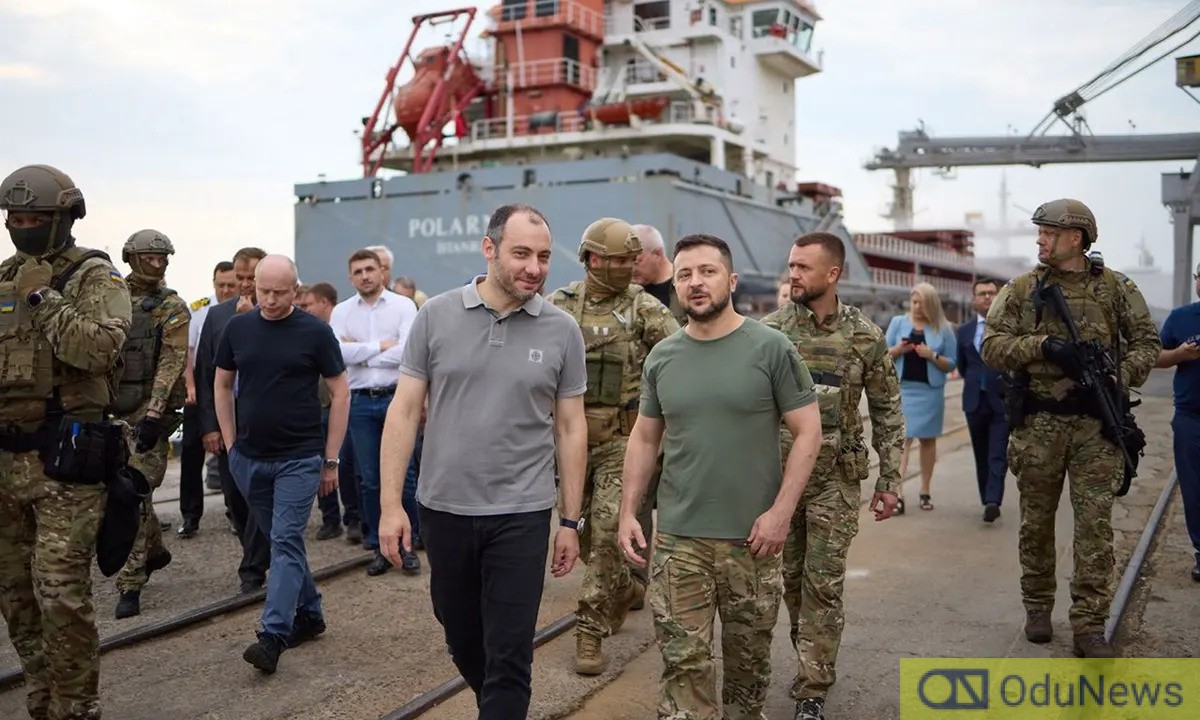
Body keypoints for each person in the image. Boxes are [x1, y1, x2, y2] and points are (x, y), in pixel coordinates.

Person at [378, 203, 588, 719]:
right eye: (521, 254)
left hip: (521, 512)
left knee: (511, 653)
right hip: (445, 508)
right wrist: (389, 505)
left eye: (542, 256)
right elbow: (404, 411)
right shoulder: (436, 316)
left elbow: (570, 427)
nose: (535, 268)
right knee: (462, 637)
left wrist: (569, 520)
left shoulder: (562, 330)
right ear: (489, 249)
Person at [617, 233, 822, 720]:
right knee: (683, 672)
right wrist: (628, 511)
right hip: (680, 544)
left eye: (707, 272)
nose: (695, 283)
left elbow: (808, 431)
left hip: (751, 543)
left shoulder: (771, 348)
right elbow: (645, 439)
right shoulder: (662, 357)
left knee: (747, 683)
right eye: (685, 274)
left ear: (730, 280)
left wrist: (780, 514)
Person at [982, 198, 1161, 658]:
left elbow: (1146, 341)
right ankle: (1038, 607)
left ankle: (1089, 624)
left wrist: (1116, 376)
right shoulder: (1022, 289)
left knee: (1095, 529)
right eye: (1038, 232)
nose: (1039, 239)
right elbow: (993, 346)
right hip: (1039, 423)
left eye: (1047, 232)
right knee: (1036, 525)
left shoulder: (1116, 288)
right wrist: (1043, 346)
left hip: (1096, 427)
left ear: (1075, 238)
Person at [0, 164, 132, 720]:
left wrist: (42, 301)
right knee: (16, 597)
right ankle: (41, 694)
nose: (22, 226)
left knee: (60, 596)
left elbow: (101, 349)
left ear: (64, 219)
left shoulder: (94, 278)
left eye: (35, 218)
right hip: (7, 466)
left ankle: (76, 707)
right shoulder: (3, 276)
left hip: (66, 464)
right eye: (14, 217)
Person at [761, 231, 904, 720]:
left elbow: (887, 410)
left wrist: (890, 480)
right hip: (778, 482)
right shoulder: (770, 332)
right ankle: (809, 656)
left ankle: (812, 688)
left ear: (833, 274)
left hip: (835, 482)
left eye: (802, 267)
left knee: (823, 585)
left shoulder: (865, 335)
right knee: (791, 583)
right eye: (791, 266)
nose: (793, 275)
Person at [547, 217, 679, 675]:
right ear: (592, 259)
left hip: (621, 445)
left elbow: (682, 355)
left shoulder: (644, 308)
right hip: (571, 446)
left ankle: (589, 630)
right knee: (582, 539)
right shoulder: (559, 307)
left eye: (631, 259)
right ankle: (622, 588)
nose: (626, 267)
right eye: (617, 260)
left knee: (606, 536)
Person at [215, 255, 350, 673]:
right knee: (283, 541)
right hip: (249, 459)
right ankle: (309, 614)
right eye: (262, 291)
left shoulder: (315, 332)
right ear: (252, 286)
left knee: (286, 540)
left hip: (300, 457)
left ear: (296, 290)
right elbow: (221, 383)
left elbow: (341, 393)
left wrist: (330, 459)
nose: (269, 301)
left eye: (279, 292)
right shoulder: (237, 328)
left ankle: (274, 635)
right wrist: (232, 445)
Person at [112, 229, 190, 619]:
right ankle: (154, 551)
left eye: (163, 258)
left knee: (133, 492)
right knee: (126, 494)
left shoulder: (171, 307)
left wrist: (155, 413)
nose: (158, 264)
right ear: (132, 257)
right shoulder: (109, 300)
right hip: (110, 414)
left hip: (149, 419)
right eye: (151, 257)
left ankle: (129, 584)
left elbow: (171, 363)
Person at [330, 248, 420, 575]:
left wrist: (361, 353)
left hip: (398, 398)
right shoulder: (340, 312)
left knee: (405, 477)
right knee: (369, 479)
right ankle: (378, 547)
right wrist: (381, 346)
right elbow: (337, 354)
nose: (365, 276)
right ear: (351, 277)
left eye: (370, 269)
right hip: (360, 401)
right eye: (358, 271)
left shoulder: (403, 306)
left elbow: (407, 353)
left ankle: (408, 547)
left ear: (382, 272)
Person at [195, 246, 272, 593]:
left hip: (265, 420)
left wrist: (252, 318)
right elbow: (205, 373)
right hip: (227, 421)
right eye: (239, 278)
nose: (243, 285)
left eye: (250, 279)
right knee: (234, 497)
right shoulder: (216, 316)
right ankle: (255, 551)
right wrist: (208, 425)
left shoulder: (277, 314)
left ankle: (252, 569)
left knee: (260, 495)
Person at [298, 282, 363, 544]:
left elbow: (354, 355)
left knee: (345, 465)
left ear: (324, 303)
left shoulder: (343, 326)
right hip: (314, 409)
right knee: (318, 465)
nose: (303, 309)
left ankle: (354, 518)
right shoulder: (303, 332)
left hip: (340, 408)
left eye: (307, 305)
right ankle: (330, 518)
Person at [885, 282, 957, 512]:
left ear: (931, 305)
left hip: (930, 393)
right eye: (914, 302)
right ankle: (898, 494)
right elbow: (882, 356)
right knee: (902, 441)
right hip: (903, 391)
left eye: (921, 303)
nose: (916, 307)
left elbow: (952, 363)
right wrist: (898, 350)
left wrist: (932, 355)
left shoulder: (943, 329)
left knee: (927, 440)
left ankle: (925, 490)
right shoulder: (898, 323)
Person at [178, 260, 236, 537]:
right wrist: (190, 387)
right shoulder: (200, 309)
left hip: (227, 389)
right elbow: (188, 353)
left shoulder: (240, 309)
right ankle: (190, 515)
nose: (225, 290)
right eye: (220, 285)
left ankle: (234, 510)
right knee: (191, 453)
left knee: (228, 452)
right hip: (200, 389)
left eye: (230, 285)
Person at [1154, 261, 1200, 581]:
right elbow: (1155, 357)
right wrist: (1179, 355)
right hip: (1190, 418)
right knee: (1194, 489)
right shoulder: (1180, 318)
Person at [956, 278, 1009, 523]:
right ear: (974, 299)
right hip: (974, 400)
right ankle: (985, 497)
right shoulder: (964, 331)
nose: (987, 297)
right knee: (981, 452)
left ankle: (993, 500)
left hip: (1001, 400)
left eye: (991, 293)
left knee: (998, 452)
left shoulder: (1008, 328)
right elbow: (964, 367)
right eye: (982, 294)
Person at [631, 223, 685, 325]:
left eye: (636, 261)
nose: (631, 268)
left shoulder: (685, 287)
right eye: (625, 261)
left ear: (657, 254)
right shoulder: (629, 291)